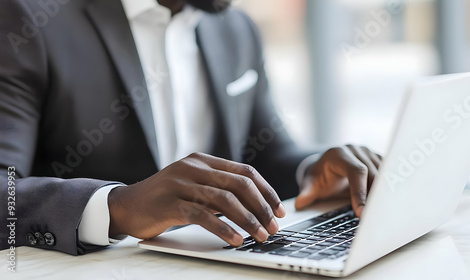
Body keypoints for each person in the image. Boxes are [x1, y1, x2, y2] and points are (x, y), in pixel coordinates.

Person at [0, 0, 381, 255]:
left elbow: (264, 150)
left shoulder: (234, 27)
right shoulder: (28, 18)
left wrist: (314, 167)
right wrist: (119, 207)